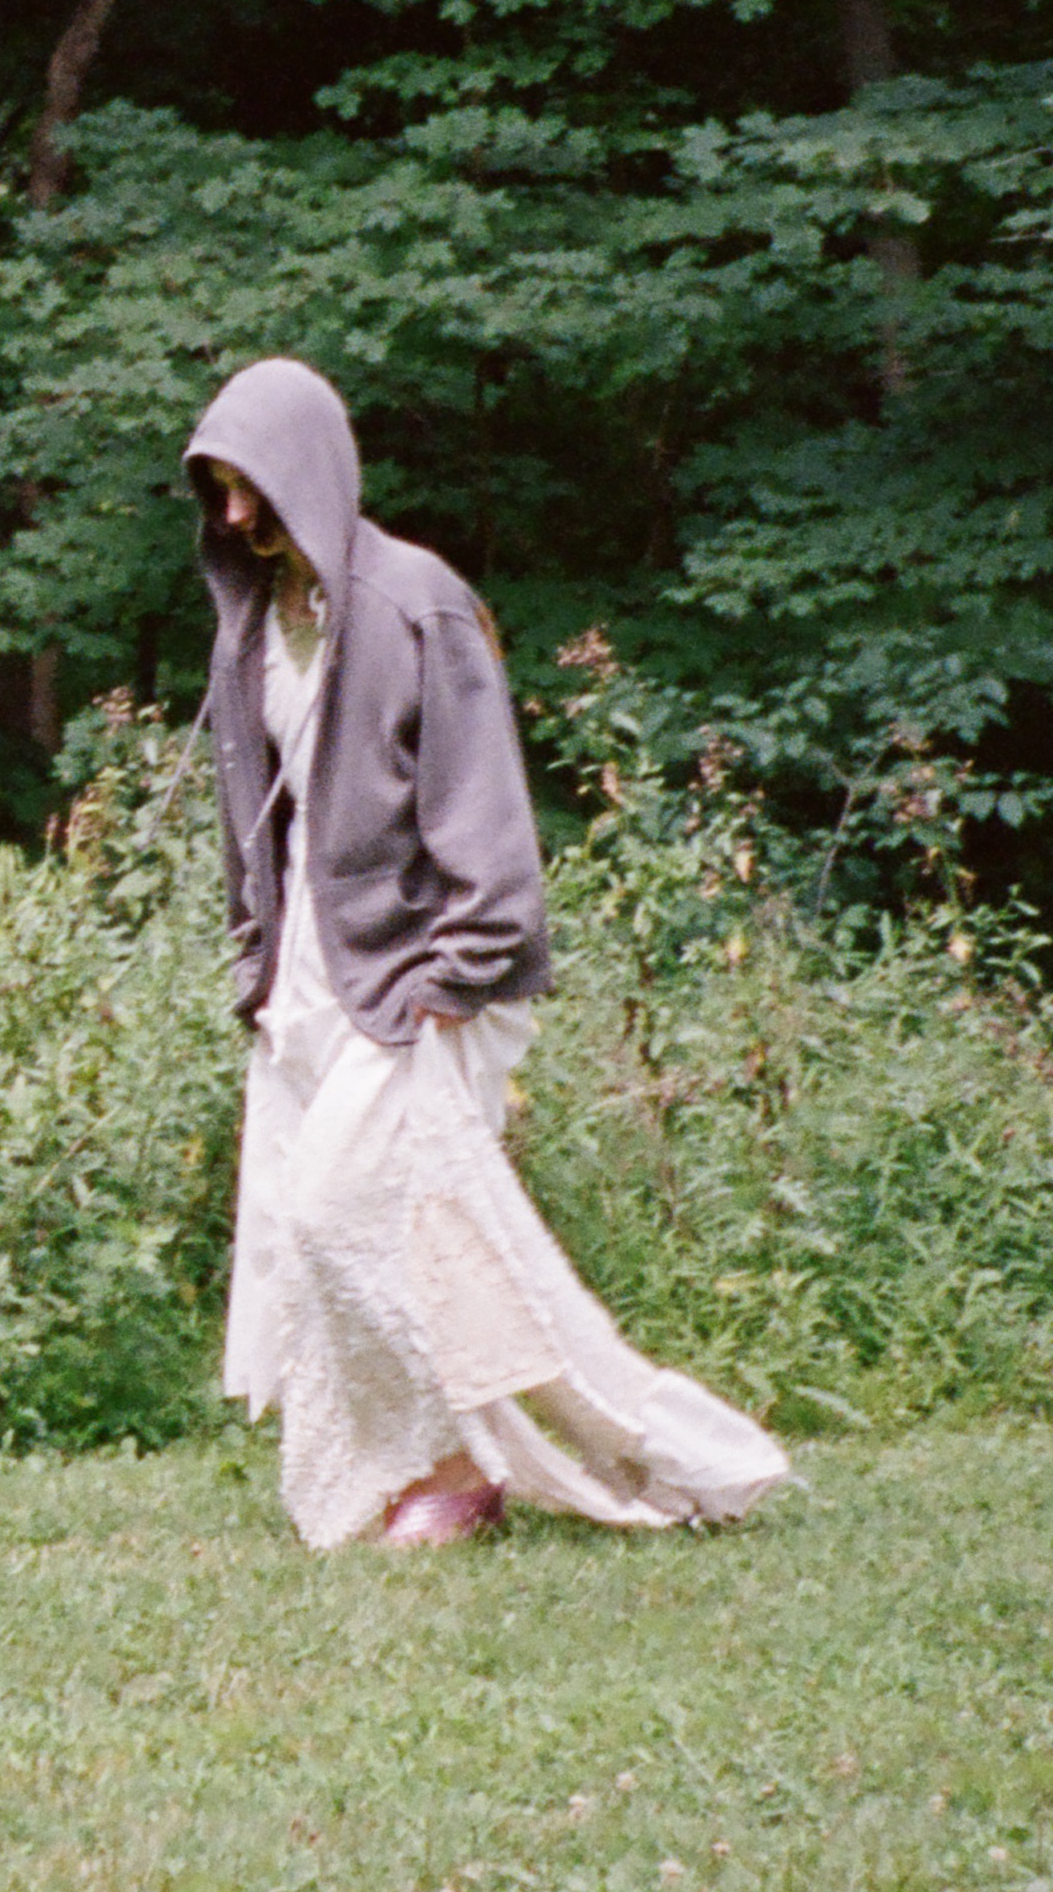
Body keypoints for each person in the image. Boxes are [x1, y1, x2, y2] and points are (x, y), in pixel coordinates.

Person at [186, 355, 793, 1551]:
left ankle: (617, 1454)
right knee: (340, 1238)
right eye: (216, 492)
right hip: (308, 970)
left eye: (251, 485)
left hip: (416, 969)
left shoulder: (420, 604)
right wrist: (257, 958)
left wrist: (450, 979)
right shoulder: (258, 621)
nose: (237, 516)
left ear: (308, 467)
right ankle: (434, 1469)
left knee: (340, 1213)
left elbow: (488, 820)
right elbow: (262, 807)